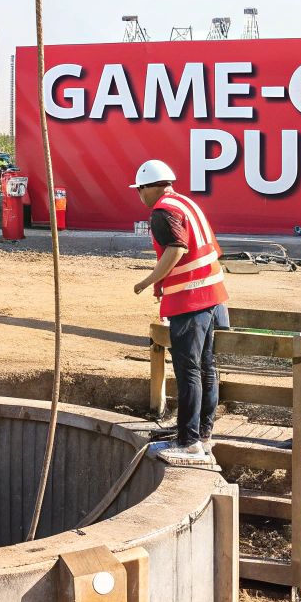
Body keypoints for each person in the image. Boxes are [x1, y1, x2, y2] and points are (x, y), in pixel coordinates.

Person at [130, 158, 227, 466]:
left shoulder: (162, 211)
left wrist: (148, 281)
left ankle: (189, 443)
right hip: (212, 297)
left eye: (139, 190)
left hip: (190, 302)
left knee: (189, 372)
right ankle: (200, 433)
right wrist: (163, 282)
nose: (139, 196)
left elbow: (177, 248)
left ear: (149, 188)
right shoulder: (185, 203)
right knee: (205, 368)